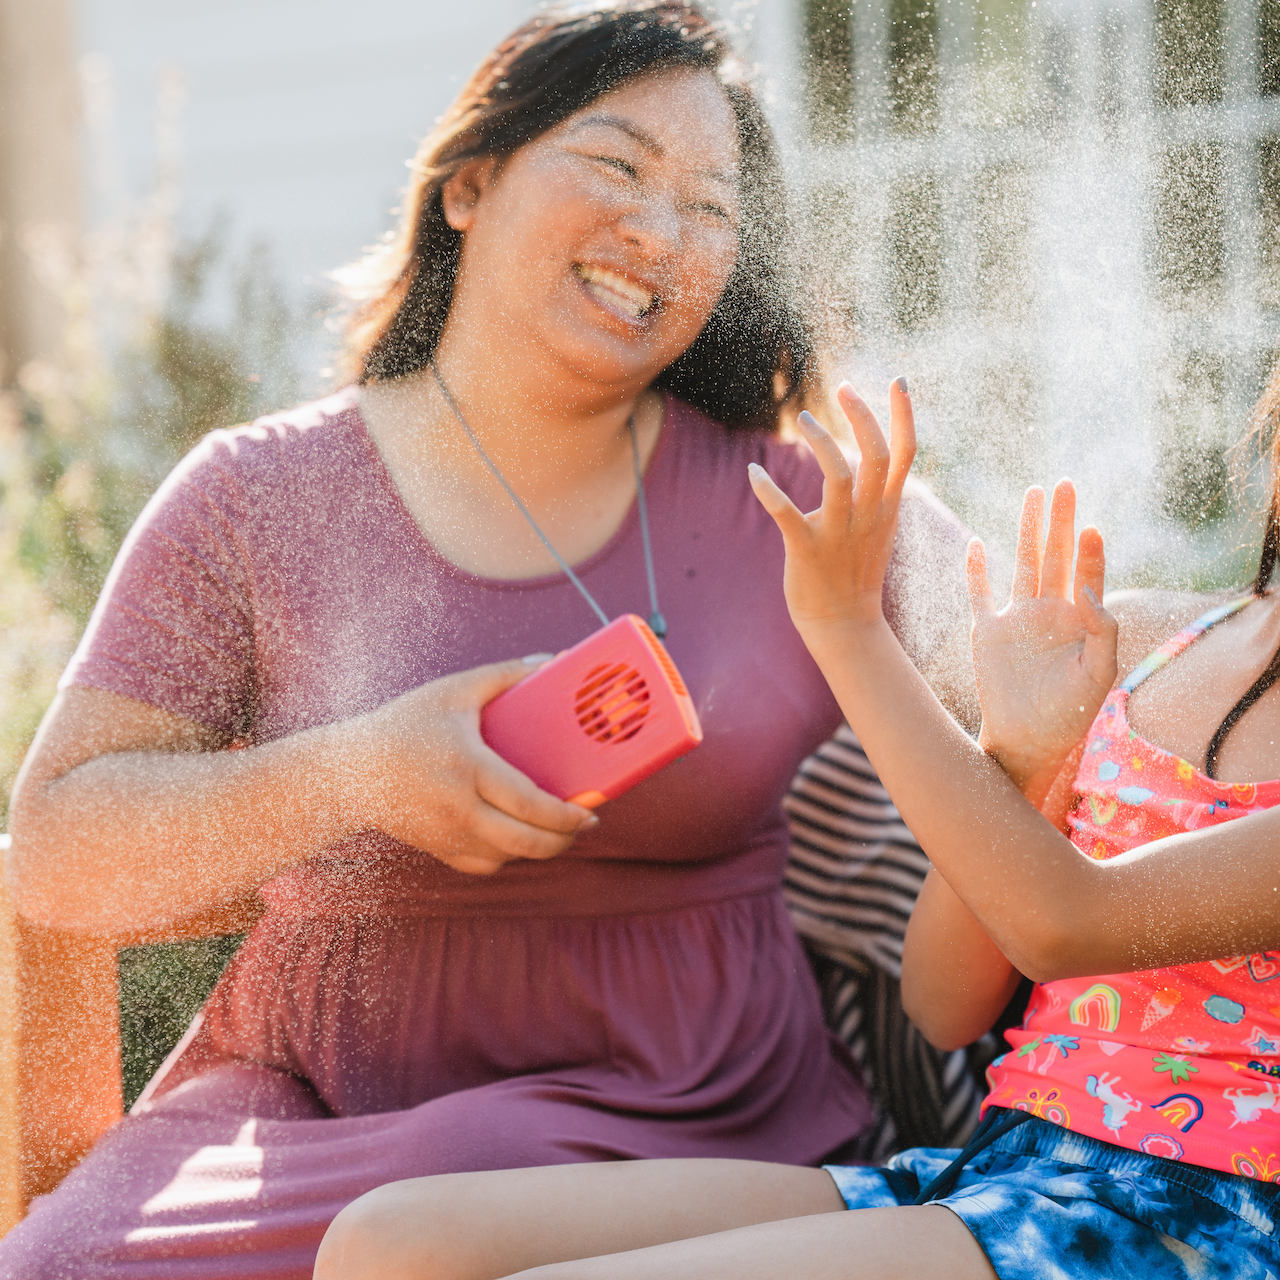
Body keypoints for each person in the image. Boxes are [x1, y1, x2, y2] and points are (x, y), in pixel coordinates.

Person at [0, 6, 977, 1277]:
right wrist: (360, 772)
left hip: (687, 1112)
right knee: (58, 1264)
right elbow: (59, 851)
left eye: (713, 209)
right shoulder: (252, 497)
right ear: (469, 183)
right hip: (316, 1102)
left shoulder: (796, 501)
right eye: (618, 166)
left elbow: (1057, 653)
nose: (660, 231)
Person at [312, 372, 1280, 1280]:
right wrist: (1021, 764)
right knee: (388, 1242)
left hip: (1200, 1218)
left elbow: (1063, 920)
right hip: (1002, 1167)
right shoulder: (1149, 641)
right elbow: (944, 1003)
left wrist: (845, 628)